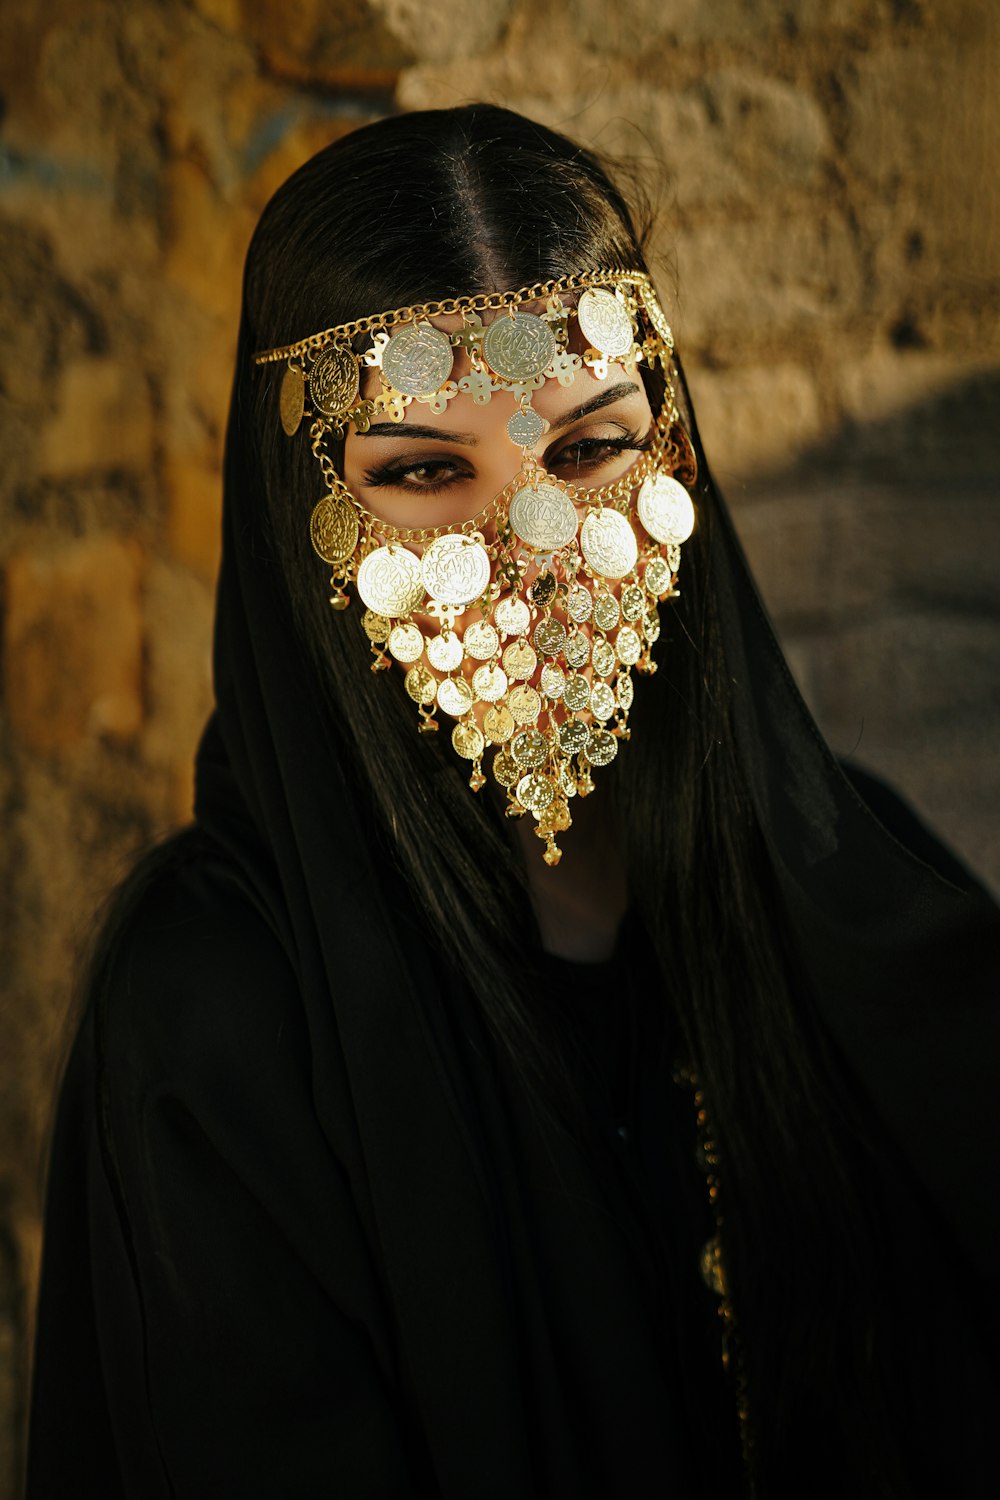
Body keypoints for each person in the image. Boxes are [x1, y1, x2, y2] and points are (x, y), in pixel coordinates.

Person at [26, 104, 1000, 1499]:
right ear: (307, 531)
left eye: (592, 450)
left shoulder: (850, 886)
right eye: (425, 473)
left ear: (674, 467)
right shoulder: (218, 1019)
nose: (529, 552)